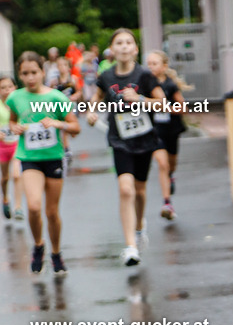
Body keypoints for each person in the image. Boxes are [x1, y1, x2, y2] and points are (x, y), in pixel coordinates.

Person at [87, 28, 166, 265]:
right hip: (119, 139)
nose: (123, 46)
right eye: (118, 43)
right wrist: (91, 111)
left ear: (135, 49)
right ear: (112, 49)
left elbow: (163, 104)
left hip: (143, 139)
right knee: (126, 190)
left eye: (128, 42)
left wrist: (140, 99)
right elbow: (97, 97)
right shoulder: (107, 77)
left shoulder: (144, 76)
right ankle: (130, 246)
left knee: (140, 191)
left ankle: (140, 225)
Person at [7, 52, 80, 275]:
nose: (30, 78)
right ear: (19, 75)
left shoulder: (56, 97)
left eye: (34, 72)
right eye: (25, 74)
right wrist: (14, 127)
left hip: (53, 158)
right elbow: (12, 119)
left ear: (42, 72)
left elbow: (75, 127)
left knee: (51, 212)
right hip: (29, 159)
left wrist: (58, 123)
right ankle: (38, 245)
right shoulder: (15, 98)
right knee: (34, 206)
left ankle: (56, 253)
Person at [146, 50, 191, 214]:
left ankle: (171, 176)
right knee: (162, 164)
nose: (151, 67)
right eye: (149, 64)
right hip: (154, 131)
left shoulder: (170, 86)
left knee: (171, 163)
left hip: (172, 129)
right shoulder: (145, 85)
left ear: (164, 67)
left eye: (154, 64)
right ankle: (167, 203)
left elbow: (183, 107)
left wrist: (167, 108)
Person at [0, 75, 24, 220]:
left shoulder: (19, 103)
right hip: (2, 147)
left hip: (17, 144)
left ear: (15, 87)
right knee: (5, 178)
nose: (7, 90)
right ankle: (6, 199)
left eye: (9, 87)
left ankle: (18, 207)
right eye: (3, 88)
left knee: (16, 174)